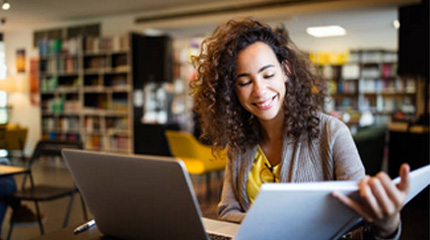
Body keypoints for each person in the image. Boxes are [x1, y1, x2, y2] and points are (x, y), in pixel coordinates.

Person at [191, 18, 409, 240]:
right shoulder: (239, 142)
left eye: (268, 75)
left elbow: (357, 224)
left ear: (285, 71)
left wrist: (387, 227)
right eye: (245, 82)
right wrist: (270, 226)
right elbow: (227, 212)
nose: (259, 91)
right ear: (232, 90)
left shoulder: (332, 133)